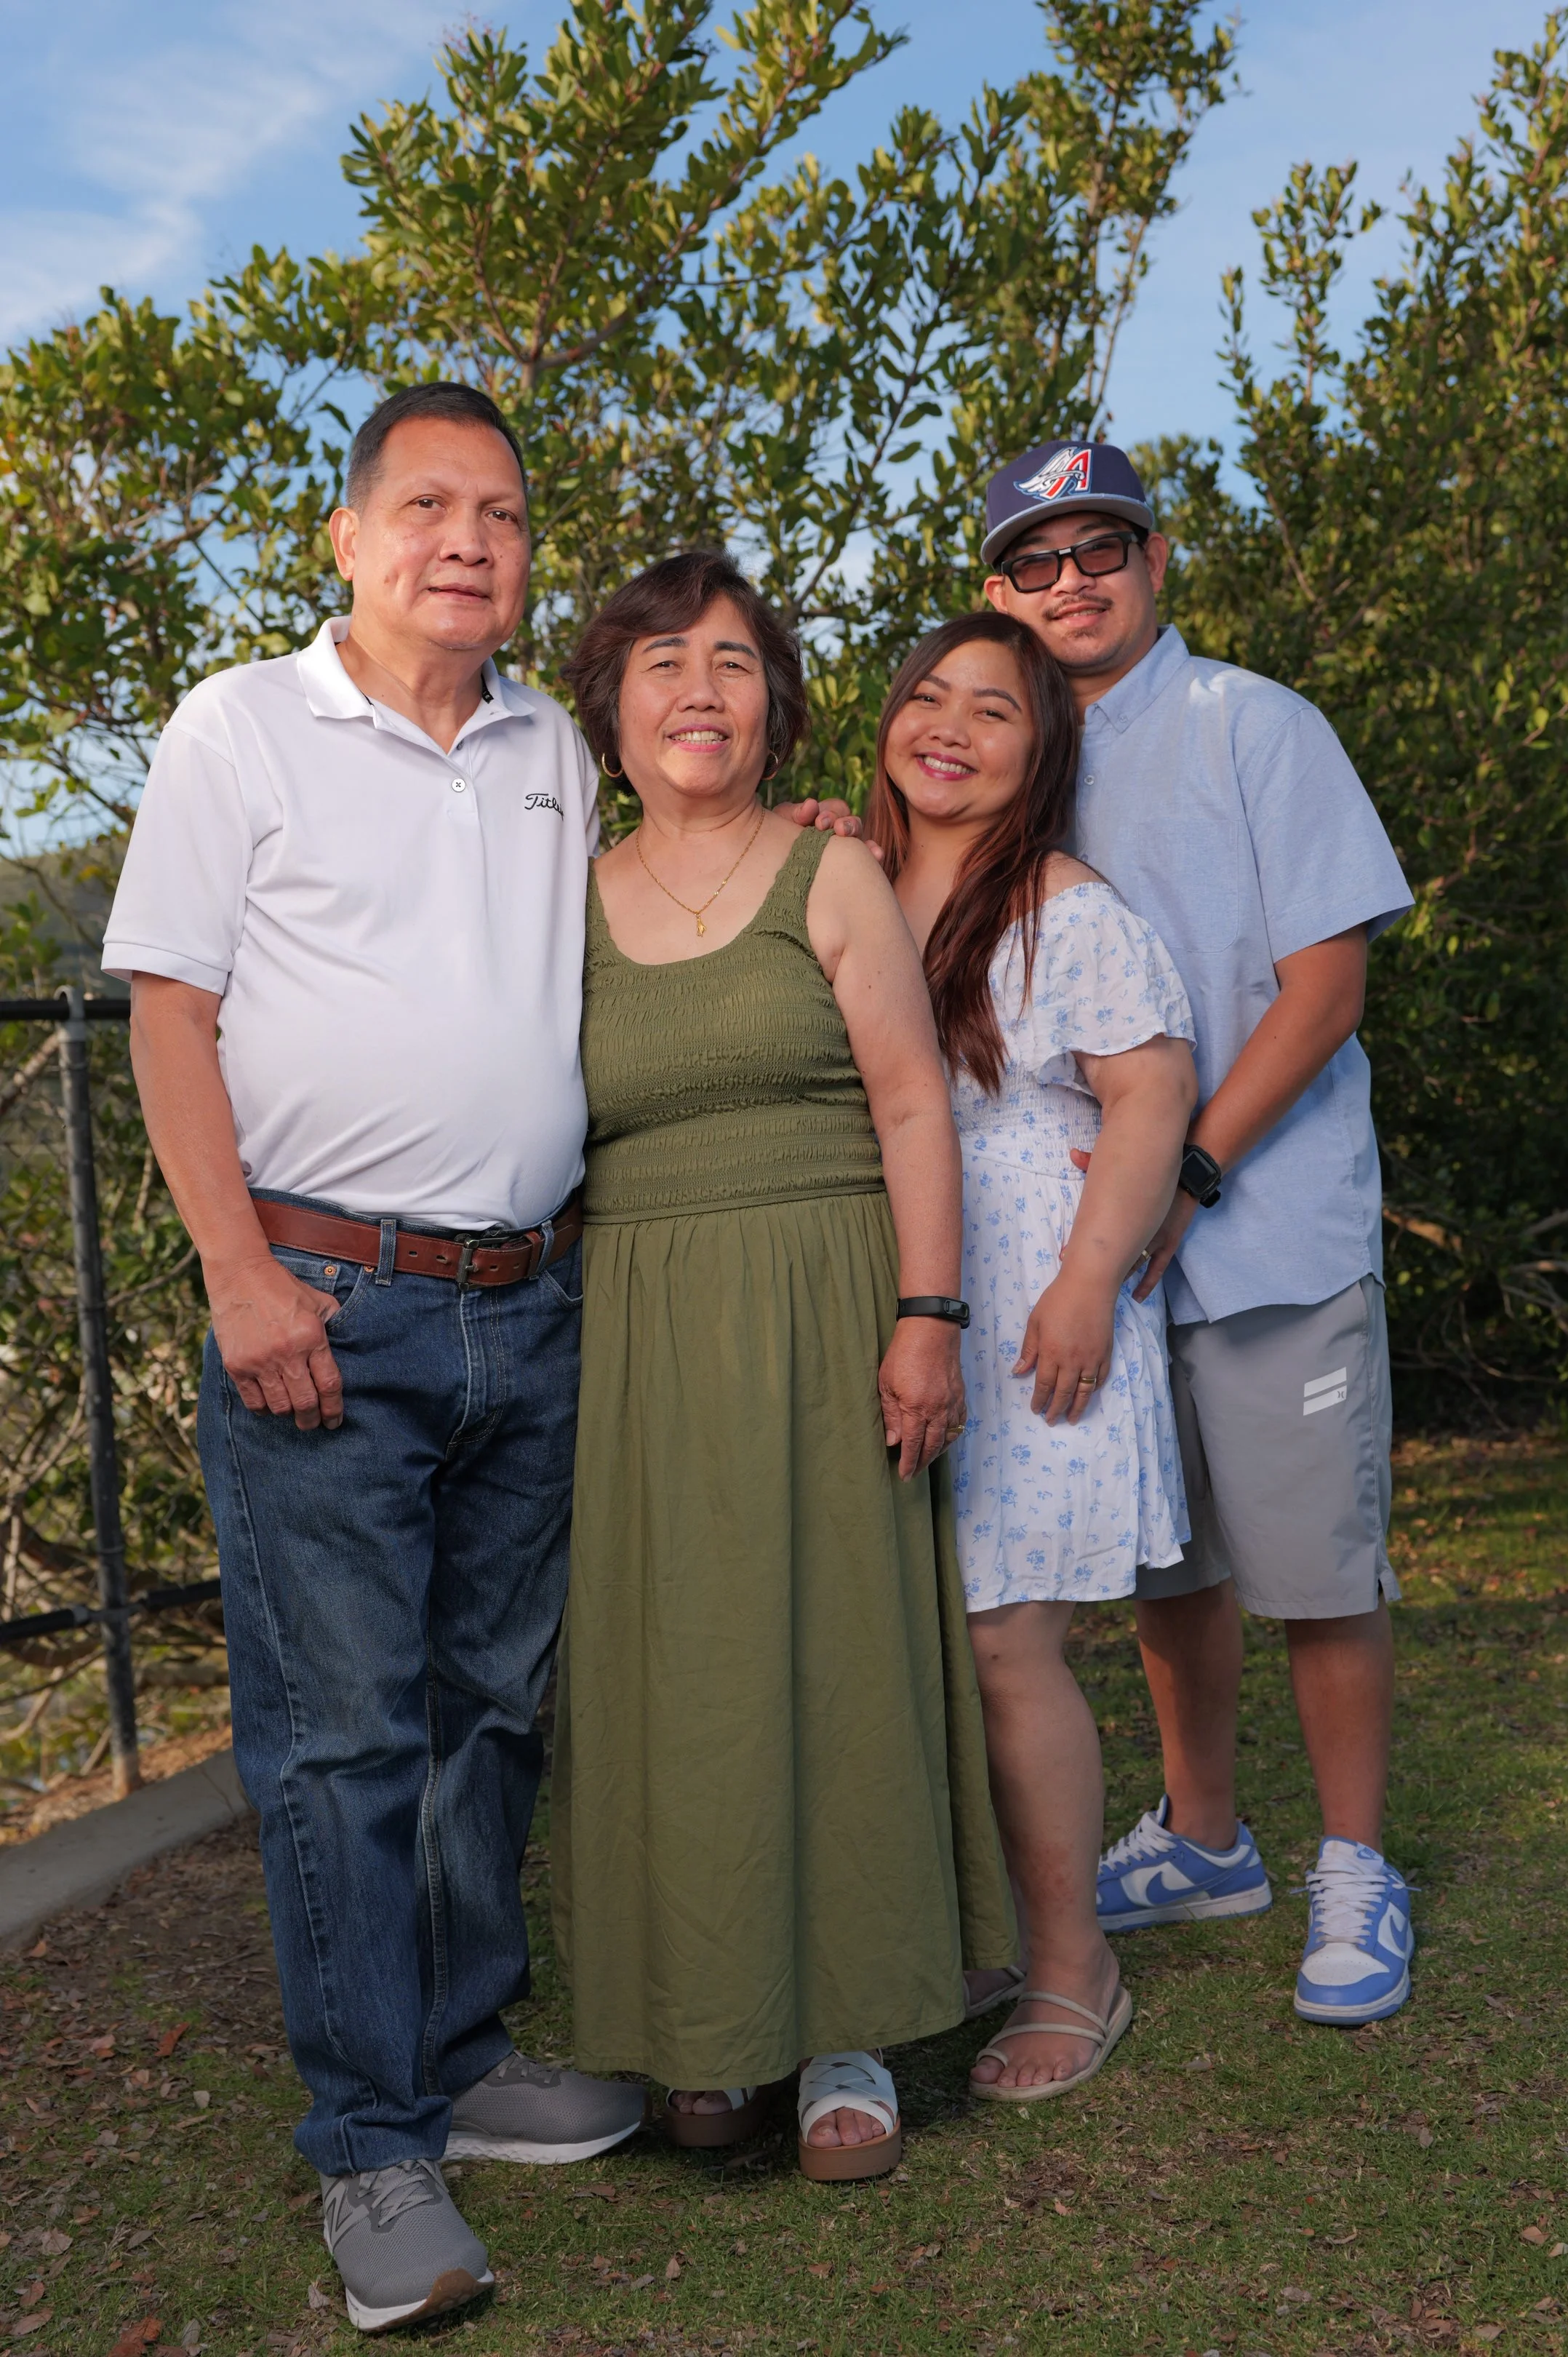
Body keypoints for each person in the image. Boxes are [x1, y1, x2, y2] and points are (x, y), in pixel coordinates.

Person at [101, 386, 847, 2331]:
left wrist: (802, 830)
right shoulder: (240, 728)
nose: (468, 541)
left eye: (504, 516)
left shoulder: (546, 750)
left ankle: (464, 2053)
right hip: (322, 1309)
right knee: (342, 1742)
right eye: (427, 505)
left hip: (532, 1305)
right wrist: (240, 1278)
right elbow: (169, 1019)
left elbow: (682, 860)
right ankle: (370, 2147)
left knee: (491, 1710)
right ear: (345, 537)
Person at [551, 550, 1015, 2182]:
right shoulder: (558, 901)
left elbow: (909, 1104)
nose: (700, 689)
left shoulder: (829, 880)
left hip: (829, 1304)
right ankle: (708, 2025)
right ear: (610, 705)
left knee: (837, 1653)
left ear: (777, 707)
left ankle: (850, 2031)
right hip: (646, 1328)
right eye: (666, 661)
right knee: (679, 1676)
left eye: (735, 663)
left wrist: (928, 1316)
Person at [979, 436, 1417, 2026]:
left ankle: (1357, 1866)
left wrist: (1194, 1176)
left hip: (1266, 1226)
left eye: (1103, 549)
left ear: (1159, 564)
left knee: (1314, 1569)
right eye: (1038, 559)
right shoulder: (1010, 752)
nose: (1073, 580)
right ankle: (1209, 1837)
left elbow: (1326, 988)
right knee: (1174, 1567)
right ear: (997, 593)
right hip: (1106, 1251)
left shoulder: (1254, 725)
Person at [870, 613, 1197, 2099]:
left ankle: (1079, 1975)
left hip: (1029, 1314)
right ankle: (976, 1942)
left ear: (1042, 749)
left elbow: (1150, 1096)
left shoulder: (1061, 905)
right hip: (894, 1302)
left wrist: (1088, 1279)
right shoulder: (853, 886)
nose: (949, 726)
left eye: (991, 710)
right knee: (928, 1640)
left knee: (1010, 1645)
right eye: (927, 697)